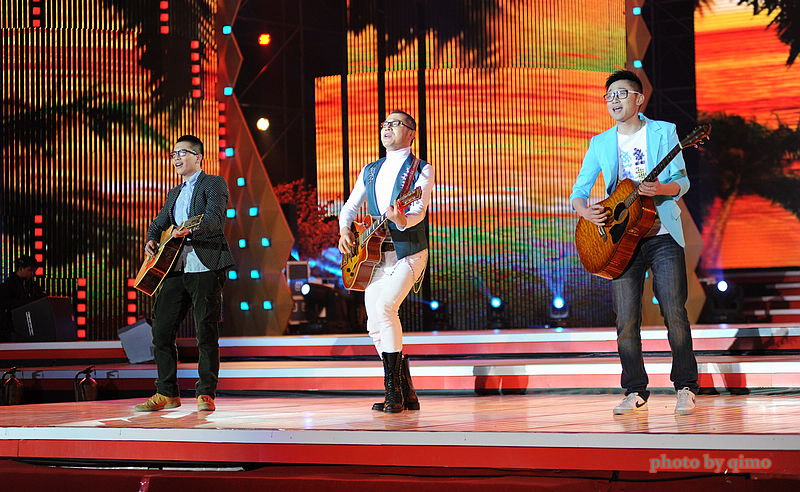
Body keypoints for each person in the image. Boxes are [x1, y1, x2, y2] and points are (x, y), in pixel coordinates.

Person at [570, 70, 699, 416]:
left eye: (622, 93)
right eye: (609, 95)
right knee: (626, 320)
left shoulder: (664, 131)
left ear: (639, 99)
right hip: (621, 241)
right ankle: (634, 390)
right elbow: (579, 192)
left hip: (661, 234)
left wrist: (662, 189)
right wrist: (586, 212)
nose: (614, 100)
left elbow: (682, 181)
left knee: (674, 312)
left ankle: (685, 386)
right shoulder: (600, 142)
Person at [338, 110, 434, 413]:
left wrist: (401, 219)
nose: (387, 128)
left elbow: (418, 211)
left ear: (411, 133)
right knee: (373, 325)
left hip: (408, 252)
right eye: (384, 124)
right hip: (375, 255)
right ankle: (406, 390)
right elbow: (350, 206)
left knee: (385, 309)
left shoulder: (421, 169)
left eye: (394, 124)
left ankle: (393, 393)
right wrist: (344, 229)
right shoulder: (370, 170)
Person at [134, 135, 235, 412]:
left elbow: (215, 219)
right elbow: (158, 223)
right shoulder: (174, 193)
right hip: (175, 267)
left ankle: (205, 393)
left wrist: (189, 229)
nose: (176, 158)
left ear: (198, 157)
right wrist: (151, 239)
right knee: (161, 330)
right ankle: (167, 392)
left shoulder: (213, 183)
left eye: (182, 153)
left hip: (206, 265)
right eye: (174, 154)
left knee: (206, 331)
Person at [0, 256, 47, 341]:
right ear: (21, 268)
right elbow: (5, 303)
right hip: (13, 326)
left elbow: (41, 297)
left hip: (28, 324)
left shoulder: (31, 284)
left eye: (33, 271)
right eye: (30, 270)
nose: (32, 273)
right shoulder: (9, 284)